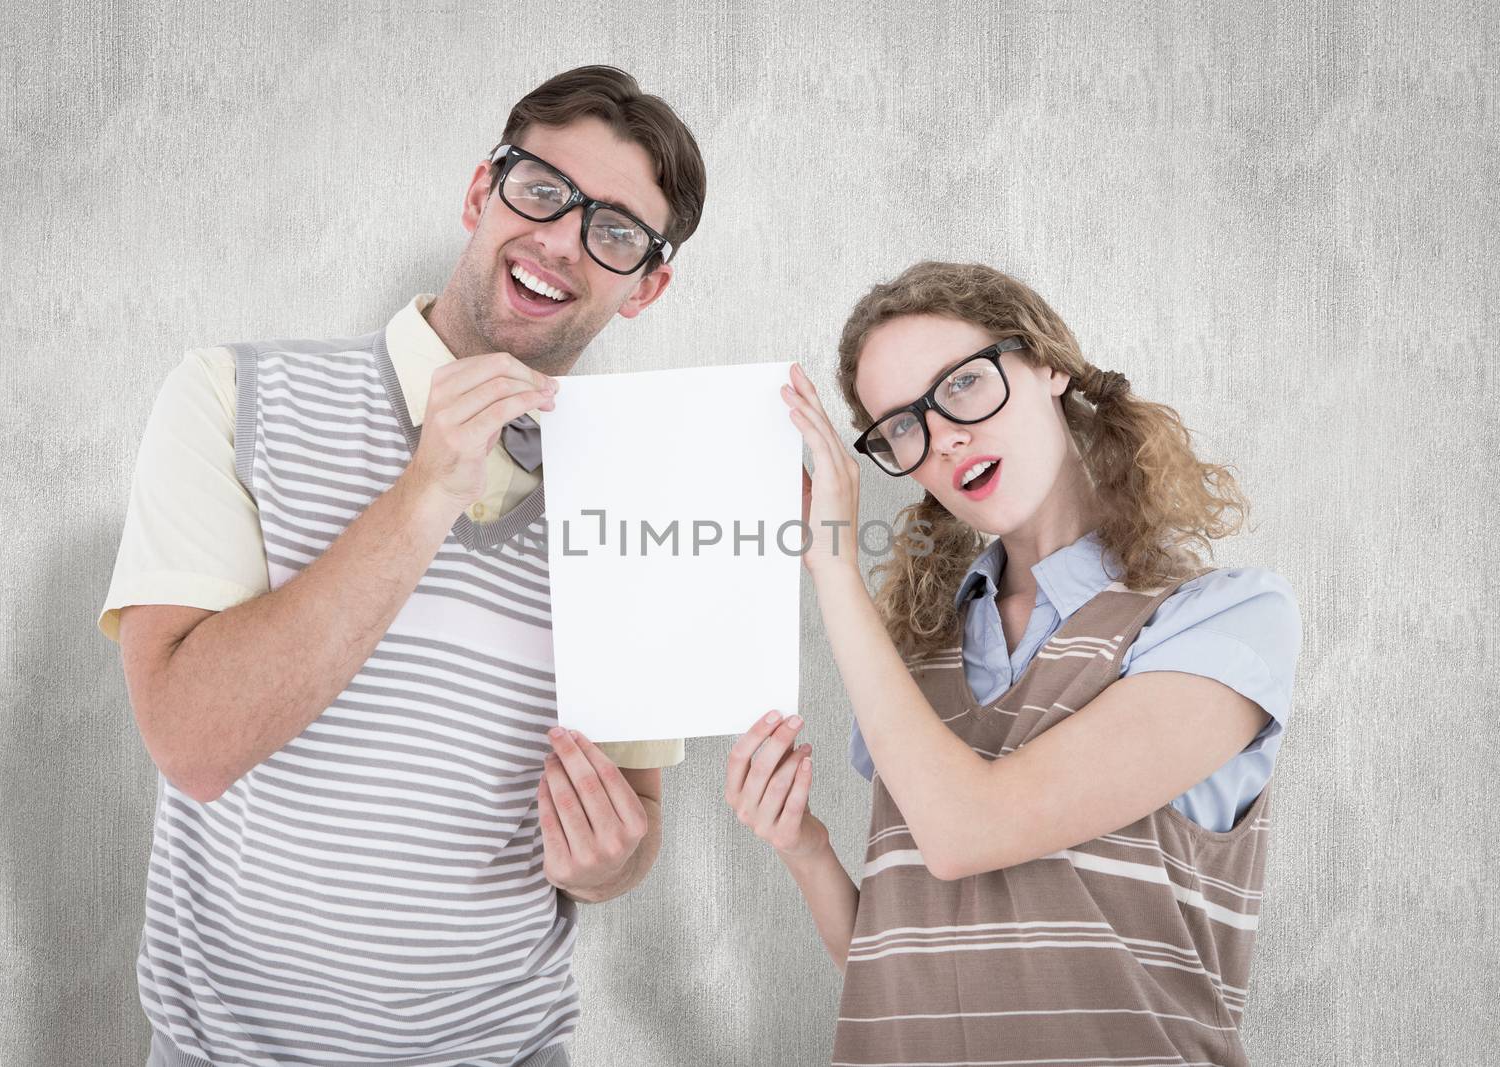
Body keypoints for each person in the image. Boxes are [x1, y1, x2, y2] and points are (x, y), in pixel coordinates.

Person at [98, 65, 705, 1067]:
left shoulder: (634, 495)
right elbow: (193, 740)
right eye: (543, 189)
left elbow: (633, 827)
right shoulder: (229, 397)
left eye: (615, 232)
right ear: (481, 192)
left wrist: (608, 861)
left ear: (646, 284)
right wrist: (425, 491)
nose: (561, 238)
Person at [725, 262, 1301, 1065]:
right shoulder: (911, 663)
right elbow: (901, 963)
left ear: (1048, 364)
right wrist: (806, 846)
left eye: (962, 384)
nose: (943, 436)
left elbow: (968, 830)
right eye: (902, 426)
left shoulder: (1221, 621)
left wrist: (832, 567)